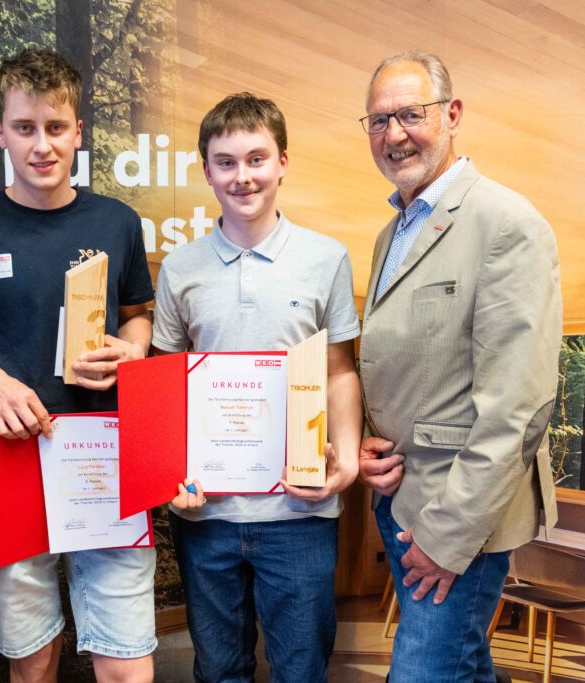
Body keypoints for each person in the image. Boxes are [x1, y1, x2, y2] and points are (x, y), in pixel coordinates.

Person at [0, 48, 156, 682]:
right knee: (32, 661)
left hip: (106, 454)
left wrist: (133, 349)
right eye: (25, 128)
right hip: (6, 454)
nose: (41, 146)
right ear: (1, 131)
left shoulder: (116, 221)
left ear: (78, 132)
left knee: (127, 659)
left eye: (55, 128)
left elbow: (139, 314)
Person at [355, 51, 561, 682]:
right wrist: (366, 439)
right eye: (378, 120)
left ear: (452, 114)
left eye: (410, 115)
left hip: (457, 520)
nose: (394, 135)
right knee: (465, 667)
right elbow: (406, 367)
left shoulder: (507, 224)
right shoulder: (392, 234)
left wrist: (448, 537)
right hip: (399, 502)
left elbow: (519, 409)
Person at [152, 92, 363, 682]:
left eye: (256, 159)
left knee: (301, 669)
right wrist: (169, 470)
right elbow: (166, 382)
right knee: (219, 670)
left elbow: (340, 369)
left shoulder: (326, 258)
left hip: (300, 510)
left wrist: (345, 459)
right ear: (206, 171)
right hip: (207, 515)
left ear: (283, 162)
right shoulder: (181, 267)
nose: (242, 177)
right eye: (226, 162)